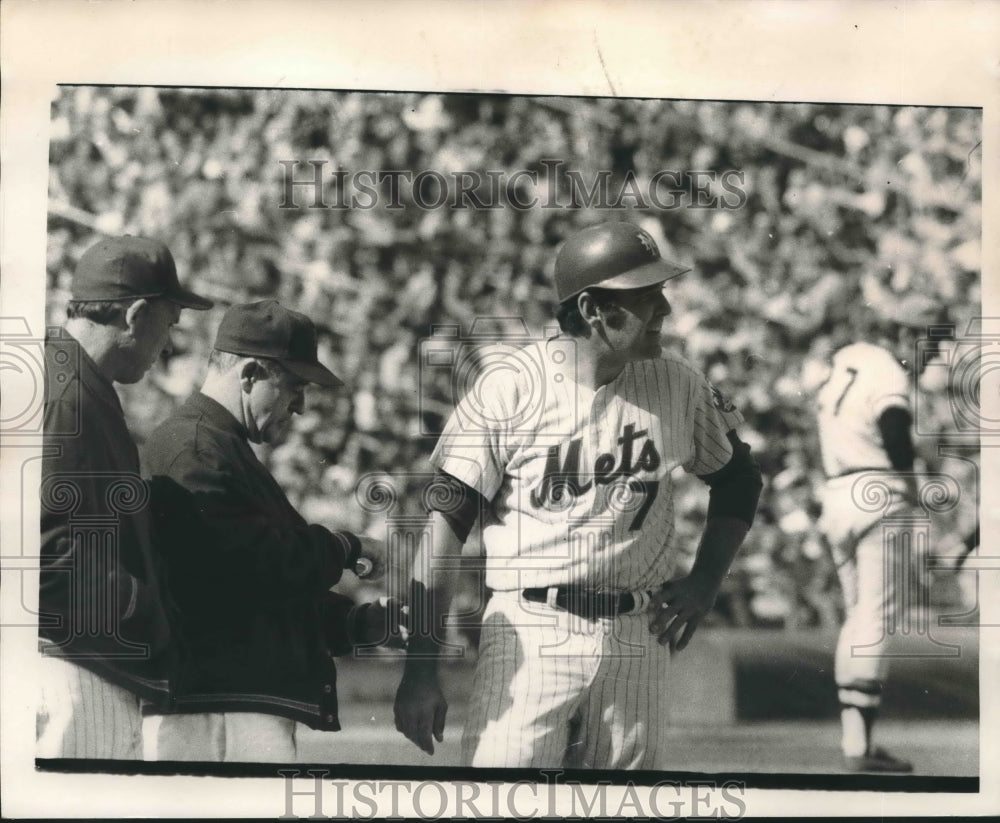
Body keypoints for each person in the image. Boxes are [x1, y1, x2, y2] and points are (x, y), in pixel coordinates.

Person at [393, 221, 763, 769]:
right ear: (592, 309)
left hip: (637, 631)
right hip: (531, 625)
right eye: (646, 298)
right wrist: (421, 670)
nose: (664, 310)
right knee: (501, 803)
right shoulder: (509, 385)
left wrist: (706, 581)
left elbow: (739, 480)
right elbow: (445, 528)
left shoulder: (677, 383)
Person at [141, 299, 399, 762]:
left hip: (230, 702)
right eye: (295, 385)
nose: (300, 406)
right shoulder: (193, 445)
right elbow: (247, 566)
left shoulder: (219, 445)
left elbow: (253, 592)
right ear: (251, 374)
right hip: (212, 708)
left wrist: (353, 623)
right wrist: (343, 546)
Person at [38, 235, 214, 759]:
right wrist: (150, 614)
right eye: (168, 323)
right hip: (74, 669)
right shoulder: (65, 394)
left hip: (74, 661)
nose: (168, 343)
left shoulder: (70, 378)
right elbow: (44, 556)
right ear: (136, 314)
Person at [815, 296, 945, 773]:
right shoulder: (888, 371)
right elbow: (893, 430)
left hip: (836, 489)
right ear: (906, 333)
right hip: (877, 491)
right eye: (930, 341)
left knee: (857, 617)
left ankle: (857, 741)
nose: (933, 354)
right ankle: (860, 747)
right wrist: (912, 487)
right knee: (875, 618)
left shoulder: (848, 359)